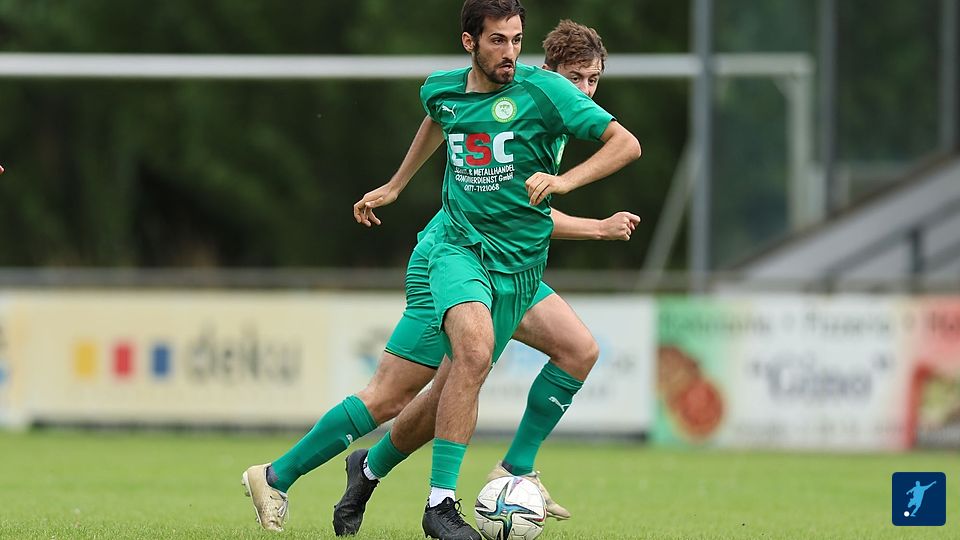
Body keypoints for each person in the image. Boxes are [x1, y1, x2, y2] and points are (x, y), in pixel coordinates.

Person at [240, 15, 638, 536]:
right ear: (548, 72)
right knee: (394, 394)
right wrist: (397, 184)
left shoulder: (547, 113)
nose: (584, 91)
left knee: (569, 353)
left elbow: (520, 205)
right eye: (575, 79)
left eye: (593, 80)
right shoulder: (526, 97)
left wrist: (587, 216)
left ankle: (489, 468)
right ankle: (281, 476)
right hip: (454, 257)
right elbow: (444, 115)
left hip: (510, 265)